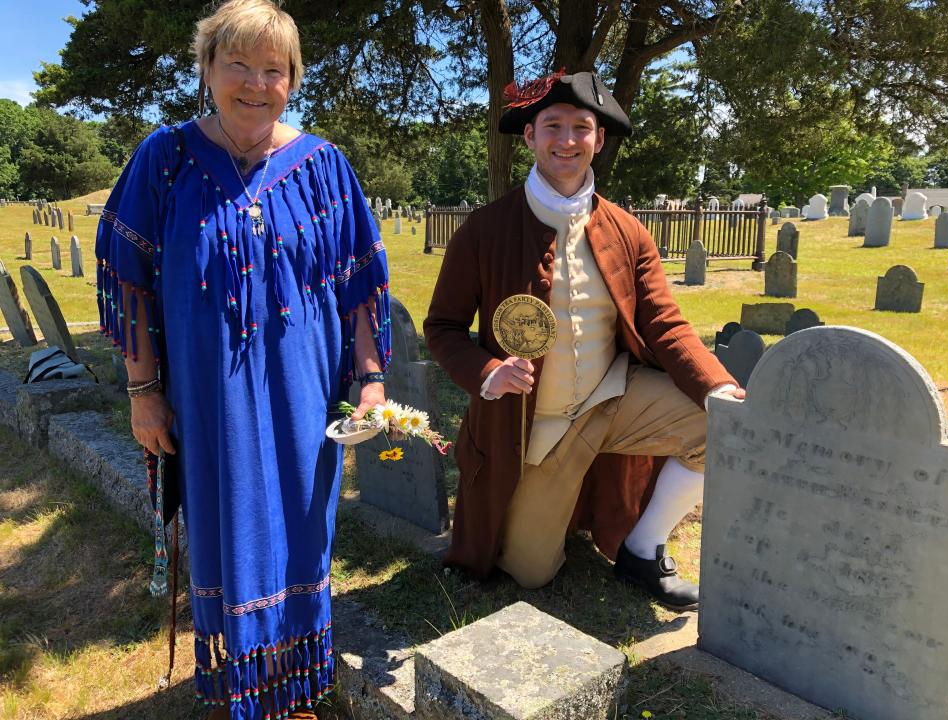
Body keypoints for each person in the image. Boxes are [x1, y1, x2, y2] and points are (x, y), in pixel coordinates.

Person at [95, 2, 390, 718]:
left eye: (275, 69)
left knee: (301, 538)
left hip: (303, 397)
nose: (256, 84)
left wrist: (373, 380)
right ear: (206, 69)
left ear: (292, 80)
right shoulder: (164, 159)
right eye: (238, 65)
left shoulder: (323, 167)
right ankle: (245, 688)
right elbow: (126, 274)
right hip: (207, 401)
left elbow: (359, 283)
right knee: (230, 533)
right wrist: (143, 392)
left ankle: (290, 688)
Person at [423, 70, 743, 610]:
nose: (567, 140)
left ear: (598, 138)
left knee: (721, 426)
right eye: (552, 126)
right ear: (529, 137)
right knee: (529, 573)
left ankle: (642, 550)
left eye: (581, 127)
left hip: (611, 398)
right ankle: (554, 508)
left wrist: (715, 387)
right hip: (536, 426)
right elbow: (443, 328)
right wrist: (486, 374)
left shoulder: (627, 229)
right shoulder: (484, 229)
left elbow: (663, 320)